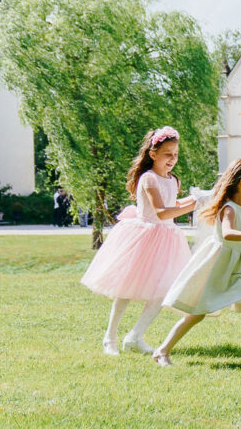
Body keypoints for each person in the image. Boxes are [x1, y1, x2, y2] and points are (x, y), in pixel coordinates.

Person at [81, 126, 195, 355]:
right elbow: (161, 212)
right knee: (126, 289)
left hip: (167, 239)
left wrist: (197, 199)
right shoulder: (149, 178)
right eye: (167, 154)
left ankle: (135, 336)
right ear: (153, 154)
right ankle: (109, 338)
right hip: (145, 237)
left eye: (175, 154)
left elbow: (174, 205)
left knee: (162, 292)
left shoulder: (173, 180)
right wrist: (194, 204)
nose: (172, 159)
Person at [153, 158, 241, 366]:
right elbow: (228, 234)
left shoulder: (240, 207)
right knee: (197, 313)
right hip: (219, 265)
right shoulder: (228, 208)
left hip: (237, 264)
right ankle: (162, 350)